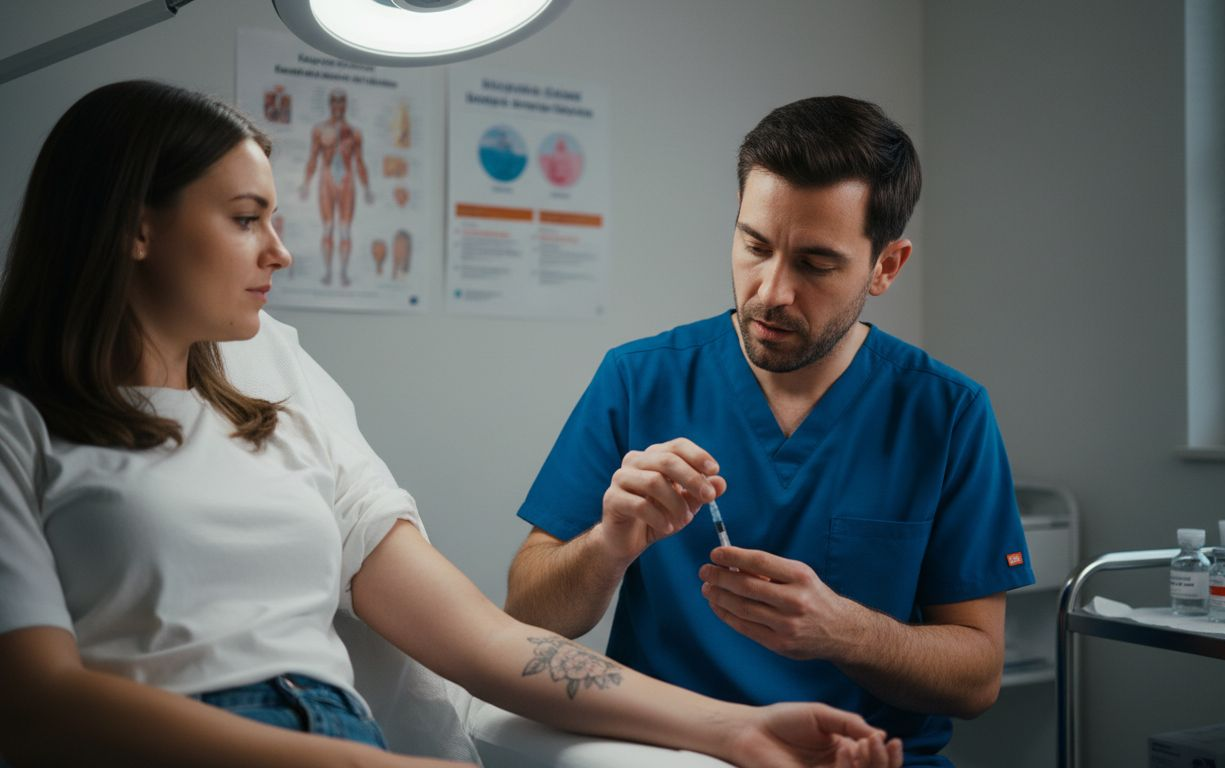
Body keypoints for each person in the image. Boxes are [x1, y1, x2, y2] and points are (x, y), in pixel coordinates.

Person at [0, 81, 904, 768]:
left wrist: (737, 731)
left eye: (274, 217)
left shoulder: (276, 373)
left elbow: (482, 638)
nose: (280, 250)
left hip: (346, 730)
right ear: (135, 227)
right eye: (244, 220)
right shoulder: (20, 422)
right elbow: (37, 702)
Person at [504, 96, 1035, 767]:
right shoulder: (640, 380)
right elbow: (526, 618)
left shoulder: (946, 413)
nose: (771, 291)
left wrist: (844, 632)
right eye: (755, 245)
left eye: (815, 264)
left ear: (886, 267)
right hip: (668, 754)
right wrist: (608, 544)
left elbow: (978, 676)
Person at [299, 88, 373, 288]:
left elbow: (359, 161)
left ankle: (343, 273)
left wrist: (366, 187)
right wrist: (306, 183)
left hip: (347, 180)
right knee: (328, 227)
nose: (338, 106)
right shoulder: (319, 130)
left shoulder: (355, 132)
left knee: (345, 229)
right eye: (335, 102)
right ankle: (328, 272)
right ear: (330, 104)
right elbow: (313, 158)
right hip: (327, 178)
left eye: (342, 102)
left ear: (346, 104)